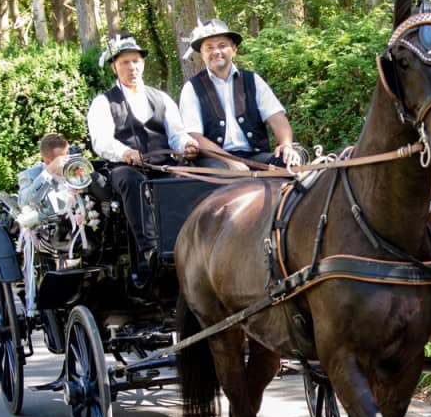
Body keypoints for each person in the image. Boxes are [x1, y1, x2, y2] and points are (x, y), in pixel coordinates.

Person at [86, 35, 198, 281]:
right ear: (115, 67)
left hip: (163, 163)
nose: (132, 67)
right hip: (124, 167)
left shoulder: (162, 98)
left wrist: (188, 144)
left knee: (189, 177)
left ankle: (192, 242)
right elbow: (101, 141)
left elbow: (176, 134)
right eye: (125, 62)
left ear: (143, 64)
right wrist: (124, 152)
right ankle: (150, 249)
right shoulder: (103, 102)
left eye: (136, 61)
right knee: (131, 181)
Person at [177, 19, 301, 169]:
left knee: (291, 161)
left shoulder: (252, 80)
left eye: (222, 46)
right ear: (202, 54)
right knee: (218, 177)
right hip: (215, 160)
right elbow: (194, 136)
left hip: (256, 157)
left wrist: (286, 144)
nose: (216, 52)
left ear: (234, 49)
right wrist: (230, 161)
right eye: (209, 48)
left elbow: (277, 118)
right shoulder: (192, 88)